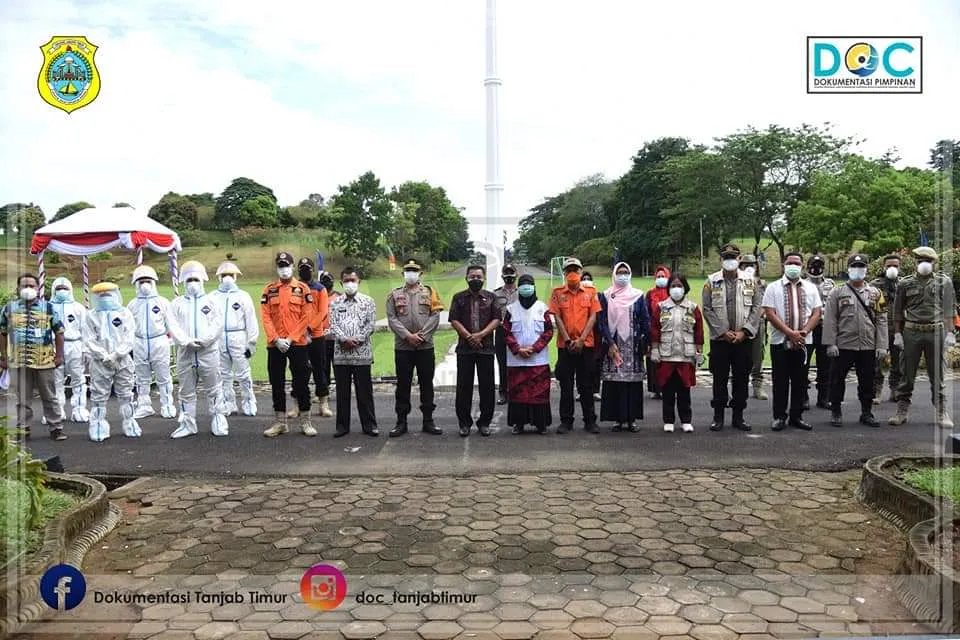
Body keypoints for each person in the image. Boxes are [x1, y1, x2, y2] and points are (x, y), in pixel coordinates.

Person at [889, 246, 956, 427]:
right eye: (920, 261)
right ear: (915, 263)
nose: (923, 264)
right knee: (907, 372)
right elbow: (897, 311)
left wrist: (951, 332)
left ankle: (941, 412)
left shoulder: (944, 282)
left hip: (936, 330)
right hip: (912, 331)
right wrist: (897, 334)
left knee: (938, 373)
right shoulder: (905, 283)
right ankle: (901, 410)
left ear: (934, 263)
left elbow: (950, 308)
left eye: (927, 261)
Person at [701, 244, 763, 431]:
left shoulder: (751, 281)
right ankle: (718, 416)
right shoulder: (711, 281)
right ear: (721, 260)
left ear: (739, 260)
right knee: (719, 379)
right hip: (720, 340)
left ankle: (738, 416)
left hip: (743, 339)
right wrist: (722, 331)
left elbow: (756, 308)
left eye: (733, 257)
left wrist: (744, 331)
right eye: (726, 257)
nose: (729, 260)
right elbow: (707, 309)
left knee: (741, 378)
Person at [822, 254, 887, 428]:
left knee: (867, 380)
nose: (858, 270)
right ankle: (836, 411)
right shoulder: (837, 292)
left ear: (866, 269)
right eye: (854, 266)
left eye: (861, 266)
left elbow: (881, 319)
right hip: (843, 344)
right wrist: (831, 343)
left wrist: (881, 345)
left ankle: (866, 412)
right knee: (837, 379)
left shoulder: (875, 293)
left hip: (867, 345)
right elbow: (830, 319)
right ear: (848, 269)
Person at [0, 274, 67, 440]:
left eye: (31, 285)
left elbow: (59, 332)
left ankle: (56, 427)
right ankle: (23, 428)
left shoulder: (49, 308)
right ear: (17, 289)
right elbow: (2, 333)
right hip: (18, 361)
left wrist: (58, 356)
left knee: (50, 396)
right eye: (24, 286)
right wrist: (4, 357)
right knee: (22, 398)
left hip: (44, 361)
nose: (28, 289)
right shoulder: (9, 309)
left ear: (38, 289)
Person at [761, 253, 823, 432]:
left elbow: (817, 313)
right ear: (784, 265)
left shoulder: (811, 288)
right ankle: (779, 416)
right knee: (780, 380)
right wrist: (790, 333)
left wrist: (803, 332)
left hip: (804, 341)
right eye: (790, 263)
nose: (793, 266)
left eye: (797, 263)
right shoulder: (773, 287)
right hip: (780, 341)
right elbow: (770, 313)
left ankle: (797, 416)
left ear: (802, 266)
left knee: (800, 380)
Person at [168, 261, 229, 439]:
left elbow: (218, 324)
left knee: (214, 387)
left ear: (202, 280)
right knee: (186, 390)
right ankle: (188, 423)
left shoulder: (212, 302)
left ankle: (218, 418)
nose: (192, 283)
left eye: (195, 279)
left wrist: (204, 341)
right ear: (183, 282)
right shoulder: (177, 303)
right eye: (189, 280)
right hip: (185, 353)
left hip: (208, 352)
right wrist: (185, 341)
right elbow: (173, 325)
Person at [386, 259, 444, 437]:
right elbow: (392, 318)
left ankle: (428, 420)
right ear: (403, 274)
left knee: (427, 384)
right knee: (403, 385)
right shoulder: (394, 295)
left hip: (425, 346)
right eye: (408, 271)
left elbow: (435, 316)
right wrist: (408, 336)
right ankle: (401, 421)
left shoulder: (430, 292)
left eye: (414, 271)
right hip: (403, 347)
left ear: (420, 274)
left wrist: (422, 336)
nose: (411, 274)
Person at [261, 252, 315, 437]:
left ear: (292, 267)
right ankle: (280, 422)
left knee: (301, 383)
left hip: (297, 342)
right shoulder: (269, 290)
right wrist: (276, 339)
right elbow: (266, 316)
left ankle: (306, 421)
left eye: (286, 265)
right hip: (275, 344)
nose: (284, 269)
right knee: (277, 382)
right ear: (276, 268)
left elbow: (306, 316)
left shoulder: (302, 289)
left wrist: (291, 338)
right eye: (280, 266)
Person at [549, 257, 602, 433]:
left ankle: (590, 420)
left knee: (586, 385)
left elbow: (593, 316)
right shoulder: (557, 293)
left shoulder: (590, 292)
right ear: (564, 273)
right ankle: (566, 420)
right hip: (565, 346)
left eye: (575, 270)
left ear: (580, 272)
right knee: (566, 384)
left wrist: (581, 340)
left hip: (585, 345)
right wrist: (568, 340)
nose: (572, 273)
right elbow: (556, 317)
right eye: (569, 270)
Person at [448, 265, 501, 437]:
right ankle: (464, 423)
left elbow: (497, 319)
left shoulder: (492, 297)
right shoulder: (459, 298)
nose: (475, 279)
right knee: (464, 387)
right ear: (466, 278)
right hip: (465, 349)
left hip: (485, 349)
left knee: (487, 387)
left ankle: (484, 423)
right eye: (472, 276)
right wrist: (469, 336)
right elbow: (454, 319)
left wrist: (481, 335)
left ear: (484, 278)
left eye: (478, 276)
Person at [83, 282, 140, 441]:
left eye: (108, 294)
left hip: (122, 360)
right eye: (101, 295)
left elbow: (129, 337)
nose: (105, 298)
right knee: (98, 394)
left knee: (126, 392)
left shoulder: (125, 313)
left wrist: (117, 354)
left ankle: (130, 422)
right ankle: (98, 425)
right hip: (99, 362)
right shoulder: (91, 315)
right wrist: (103, 355)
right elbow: (89, 339)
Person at [597, 262, 650, 432]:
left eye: (626, 272)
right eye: (619, 272)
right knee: (615, 383)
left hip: (633, 346)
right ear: (614, 274)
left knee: (632, 384)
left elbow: (645, 319)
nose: (622, 275)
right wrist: (610, 343)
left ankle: (631, 419)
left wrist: (648, 340)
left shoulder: (637, 295)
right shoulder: (605, 296)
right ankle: (617, 420)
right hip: (614, 346)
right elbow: (602, 321)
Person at [650, 274, 704, 433]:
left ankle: (686, 420)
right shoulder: (661, 307)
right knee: (667, 391)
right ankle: (668, 421)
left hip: (685, 356)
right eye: (673, 286)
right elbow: (655, 330)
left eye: (679, 286)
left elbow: (699, 332)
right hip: (667, 356)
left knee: (684, 392)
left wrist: (699, 352)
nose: (676, 289)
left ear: (685, 288)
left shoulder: (692, 308)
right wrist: (654, 349)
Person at [503, 274, 554, 434]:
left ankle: (541, 424)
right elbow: (505, 332)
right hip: (516, 361)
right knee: (518, 394)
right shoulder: (511, 309)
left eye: (529, 284)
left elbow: (548, 332)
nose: (526, 287)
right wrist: (518, 349)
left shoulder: (542, 308)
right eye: (523, 284)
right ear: (519, 288)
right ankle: (519, 424)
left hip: (538, 360)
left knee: (539, 393)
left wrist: (534, 348)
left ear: (534, 287)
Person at [331, 267, 378, 437]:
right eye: (346, 280)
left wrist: (356, 339)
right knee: (342, 393)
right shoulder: (335, 303)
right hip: (341, 354)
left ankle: (370, 425)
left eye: (353, 280)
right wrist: (344, 339)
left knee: (365, 392)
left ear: (359, 282)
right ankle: (342, 427)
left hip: (362, 353)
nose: (349, 283)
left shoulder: (368, 302)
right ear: (341, 282)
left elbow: (370, 324)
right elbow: (333, 324)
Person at [210, 262, 259, 416]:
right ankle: (228, 402)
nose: (227, 278)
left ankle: (249, 400)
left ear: (236, 277)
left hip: (238, 336)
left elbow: (251, 320)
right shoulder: (212, 297)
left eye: (230, 275)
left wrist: (251, 341)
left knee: (243, 372)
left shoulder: (243, 296)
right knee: (223, 373)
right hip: (219, 337)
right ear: (219, 278)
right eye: (224, 275)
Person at [128, 265, 176, 419]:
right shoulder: (132, 304)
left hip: (159, 341)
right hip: (139, 342)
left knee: (163, 375)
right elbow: (128, 327)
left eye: (147, 280)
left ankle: (167, 404)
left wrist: (172, 340)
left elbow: (171, 324)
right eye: (141, 281)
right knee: (142, 377)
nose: (144, 284)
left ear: (153, 282)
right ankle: (144, 405)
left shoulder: (163, 302)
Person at [49, 276, 89, 423]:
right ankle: (56, 410)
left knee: (78, 378)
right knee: (55, 380)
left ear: (70, 290)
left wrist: (85, 349)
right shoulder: (47, 307)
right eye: (58, 289)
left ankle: (79, 408)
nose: (61, 291)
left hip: (75, 345)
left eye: (64, 288)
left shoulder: (78, 308)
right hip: (53, 345)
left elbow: (86, 329)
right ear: (53, 290)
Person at [297, 257, 332, 417]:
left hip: (316, 335)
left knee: (320, 370)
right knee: (299, 371)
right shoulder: (294, 288)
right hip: (298, 336)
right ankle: (299, 403)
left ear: (312, 270)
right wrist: (300, 330)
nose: (305, 270)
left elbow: (322, 311)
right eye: (302, 268)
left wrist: (310, 328)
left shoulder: (319, 289)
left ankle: (323, 403)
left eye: (307, 268)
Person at [804, 255, 836, 409]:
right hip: (808, 328)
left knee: (826, 365)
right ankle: (803, 397)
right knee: (803, 364)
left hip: (825, 328)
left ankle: (824, 397)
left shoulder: (830, 284)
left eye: (819, 265)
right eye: (813, 265)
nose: (816, 268)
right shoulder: (802, 284)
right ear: (807, 267)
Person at [871, 254, 903, 404]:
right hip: (880, 331)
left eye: (895, 266)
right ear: (884, 267)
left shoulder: (904, 284)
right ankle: (876, 391)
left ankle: (895, 389)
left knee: (898, 362)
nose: (892, 268)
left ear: (900, 267)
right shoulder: (875, 285)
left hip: (899, 330)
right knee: (879, 362)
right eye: (889, 265)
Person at [739, 255, 768, 401]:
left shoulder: (762, 284)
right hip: (740, 324)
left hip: (758, 323)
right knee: (739, 357)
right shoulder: (737, 283)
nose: (749, 267)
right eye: (745, 265)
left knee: (757, 356)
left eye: (752, 265)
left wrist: (755, 319)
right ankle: (738, 387)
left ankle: (757, 386)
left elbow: (766, 305)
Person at [493, 264, 519, 405]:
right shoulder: (495, 294)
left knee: (518, 362)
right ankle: (503, 393)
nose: (509, 276)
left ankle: (516, 391)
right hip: (501, 331)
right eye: (506, 273)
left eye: (511, 273)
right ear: (502, 275)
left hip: (517, 331)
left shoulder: (522, 292)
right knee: (502, 363)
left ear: (516, 274)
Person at [646, 265, 671, 400]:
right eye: (659, 276)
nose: (661, 279)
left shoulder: (672, 292)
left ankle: (667, 387)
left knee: (668, 360)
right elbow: (646, 312)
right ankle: (655, 389)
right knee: (653, 361)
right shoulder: (650, 294)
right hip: (653, 331)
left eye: (663, 276)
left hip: (669, 330)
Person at [318, 269, 339, 414]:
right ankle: (323, 393)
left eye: (328, 280)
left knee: (338, 367)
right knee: (322, 368)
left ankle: (341, 391)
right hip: (322, 338)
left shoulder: (339, 297)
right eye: (324, 280)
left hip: (337, 339)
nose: (326, 283)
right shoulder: (319, 296)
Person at [580, 272, 603, 401]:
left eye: (589, 279)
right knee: (581, 364)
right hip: (580, 334)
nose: (586, 281)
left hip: (595, 334)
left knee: (595, 362)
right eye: (584, 279)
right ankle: (581, 390)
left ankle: (595, 389)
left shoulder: (597, 295)